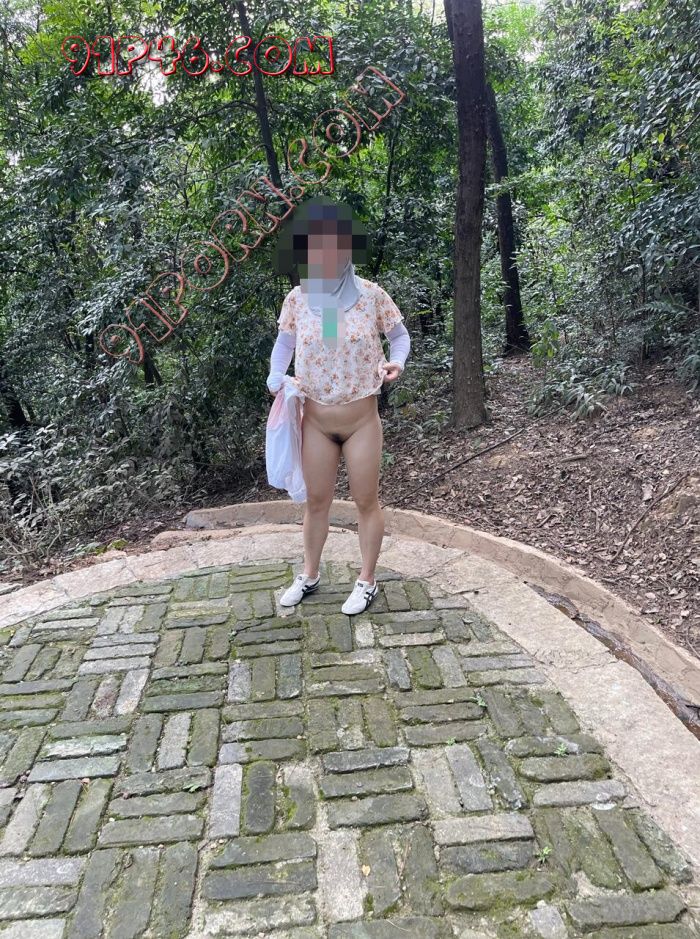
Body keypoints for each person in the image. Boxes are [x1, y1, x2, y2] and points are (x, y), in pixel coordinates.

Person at [266, 198, 411, 615]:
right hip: (316, 422)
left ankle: (367, 580)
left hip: (361, 420)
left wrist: (396, 362)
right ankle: (309, 574)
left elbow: (399, 337)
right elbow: (287, 345)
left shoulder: (370, 295)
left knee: (366, 500)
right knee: (316, 502)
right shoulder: (300, 298)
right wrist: (276, 376)